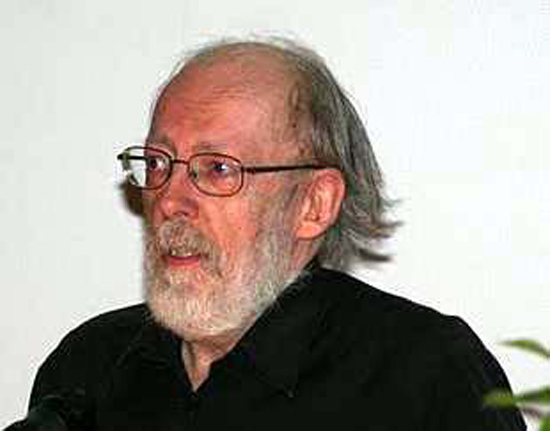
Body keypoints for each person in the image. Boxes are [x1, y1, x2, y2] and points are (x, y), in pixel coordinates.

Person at [26, 38, 525, 430]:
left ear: (314, 204)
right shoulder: (90, 367)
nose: (170, 200)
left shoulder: (423, 374)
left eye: (217, 168)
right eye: (158, 163)